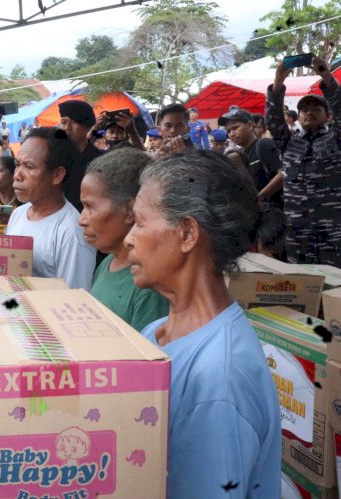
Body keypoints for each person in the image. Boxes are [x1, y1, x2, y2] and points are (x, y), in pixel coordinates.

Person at [126, 151, 280, 497]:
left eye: (139, 222)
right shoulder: (156, 333)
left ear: (186, 234)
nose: (129, 238)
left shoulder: (219, 379)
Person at [79, 148, 168, 331]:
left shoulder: (148, 286)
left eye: (90, 207)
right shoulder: (107, 264)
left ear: (130, 210)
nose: (81, 220)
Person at [266, 55, 341, 266]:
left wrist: (325, 75)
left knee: (335, 286)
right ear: (298, 117)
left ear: (328, 116)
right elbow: (272, 120)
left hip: (333, 230)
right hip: (298, 231)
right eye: (304, 110)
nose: (309, 112)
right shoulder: (288, 141)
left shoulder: (336, 139)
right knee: (301, 284)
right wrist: (278, 81)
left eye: (315, 109)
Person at [6, 127, 97, 289]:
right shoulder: (18, 214)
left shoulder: (72, 233)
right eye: (17, 164)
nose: (17, 175)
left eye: (29, 167)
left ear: (57, 175)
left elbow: (73, 300)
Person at [218, 105, 283, 206]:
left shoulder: (263, 145)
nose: (232, 134)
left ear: (250, 125)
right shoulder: (239, 155)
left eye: (235, 128)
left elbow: (283, 174)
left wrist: (260, 197)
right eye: (228, 131)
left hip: (275, 209)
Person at [58, 100, 104, 212]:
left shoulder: (101, 161)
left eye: (73, 122)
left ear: (88, 126)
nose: (67, 128)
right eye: (64, 122)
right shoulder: (54, 157)